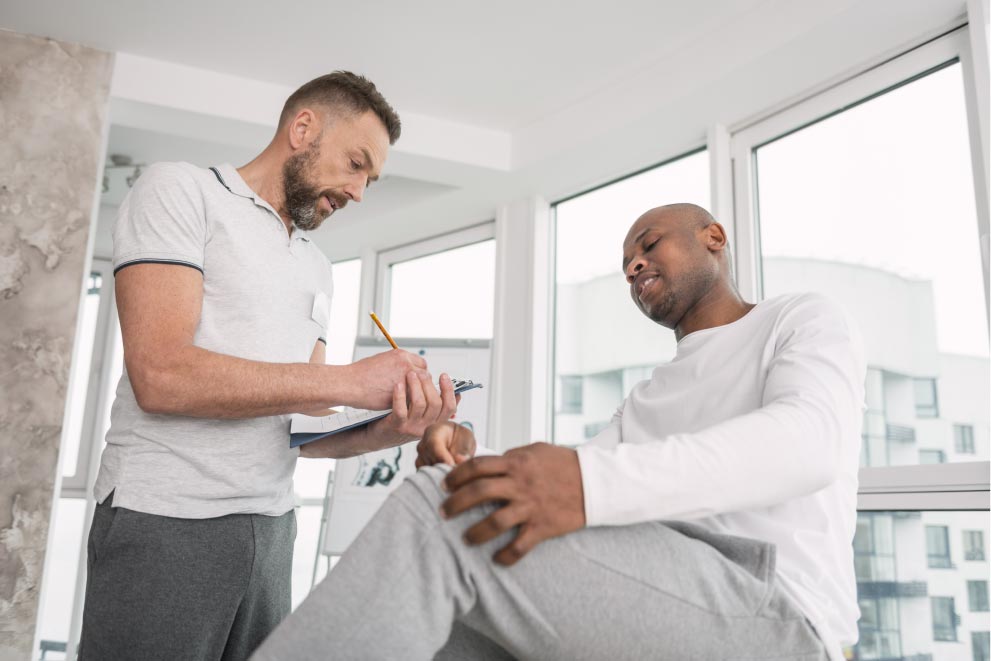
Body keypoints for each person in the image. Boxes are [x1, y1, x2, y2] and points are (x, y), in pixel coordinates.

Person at [253, 203, 866, 661]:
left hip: (782, 614)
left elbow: (810, 445)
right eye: (628, 263)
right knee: (456, 585)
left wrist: (576, 481)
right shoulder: (647, 397)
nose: (633, 265)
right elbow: (568, 485)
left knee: (444, 516)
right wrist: (474, 457)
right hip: (667, 590)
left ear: (714, 238)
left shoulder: (799, 318)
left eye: (649, 245)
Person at [79, 72, 460, 661]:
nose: (359, 192)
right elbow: (161, 375)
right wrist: (348, 381)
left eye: (371, 179)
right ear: (302, 128)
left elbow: (298, 428)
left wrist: (391, 426)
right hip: (166, 521)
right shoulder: (181, 192)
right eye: (356, 164)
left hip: (273, 528)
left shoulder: (315, 264)